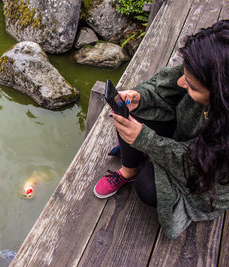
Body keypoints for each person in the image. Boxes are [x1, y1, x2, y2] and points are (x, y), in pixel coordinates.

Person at [93, 19, 229, 239]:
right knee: (130, 113)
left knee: (148, 188)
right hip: (182, 134)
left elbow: (200, 168)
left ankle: (145, 158)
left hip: (206, 173)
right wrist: (141, 97)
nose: (181, 83)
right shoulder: (205, 69)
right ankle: (129, 170)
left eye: (192, 86)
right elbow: (163, 85)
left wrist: (148, 141)